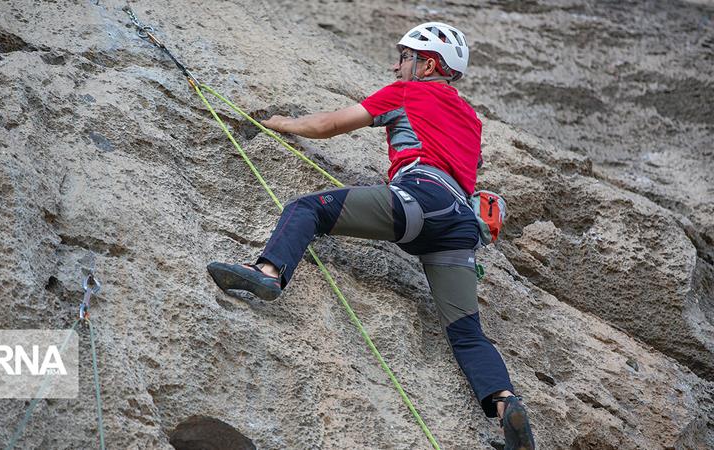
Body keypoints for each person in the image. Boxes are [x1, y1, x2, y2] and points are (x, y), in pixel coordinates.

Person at [207, 22, 535, 450]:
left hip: (419, 198)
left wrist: (282, 122)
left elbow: (330, 124)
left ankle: (267, 272)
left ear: (427, 64)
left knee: (307, 209)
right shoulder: (471, 120)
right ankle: (505, 405)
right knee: (468, 334)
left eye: (405, 57)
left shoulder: (406, 92)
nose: (397, 65)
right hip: (458, 225)